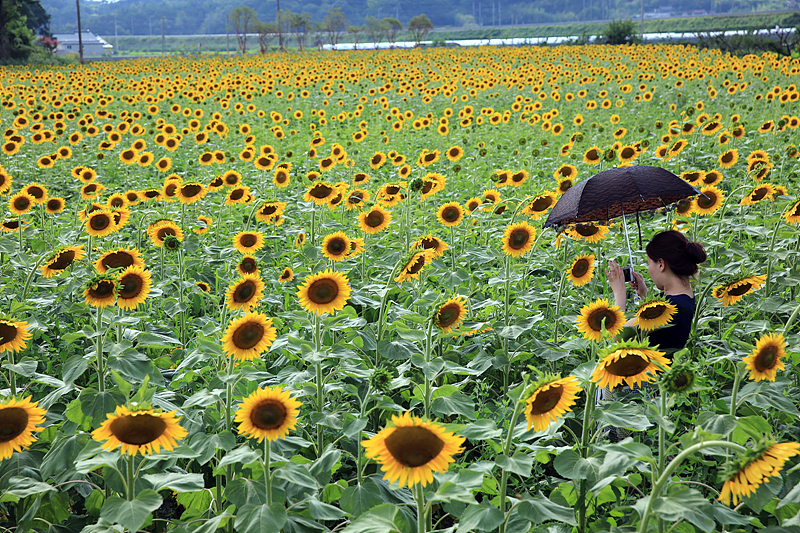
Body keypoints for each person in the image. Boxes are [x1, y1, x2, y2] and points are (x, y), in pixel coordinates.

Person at [606, 230, 708, 354]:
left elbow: (616, 337)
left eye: (649, 264)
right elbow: (658, 329)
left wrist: (619, 292)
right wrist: (645, 294)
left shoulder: (668, 307)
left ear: (661, 264)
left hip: (653, 372)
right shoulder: (685, 296)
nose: (649, 269)